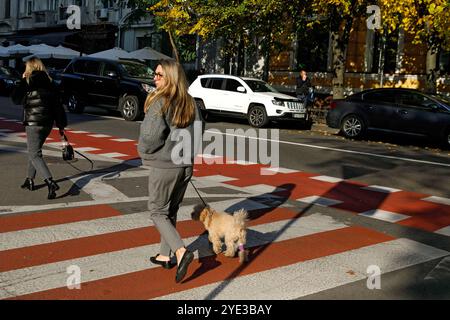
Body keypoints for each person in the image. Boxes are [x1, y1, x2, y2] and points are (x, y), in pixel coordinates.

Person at [138, 59, 203, 283]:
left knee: (157, 211)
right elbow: (199, 133)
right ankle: (166, 255)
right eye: (154, 74)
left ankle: (180, 251)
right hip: (185, 165)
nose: (154, 78)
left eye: (159, 74)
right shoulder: (190, 101)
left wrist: (144, 152)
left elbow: (149, 136)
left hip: (165, 164)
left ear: (170, 77)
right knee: (171, 209)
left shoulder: (162, 101)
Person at [11, 57, 67, 200]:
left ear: (29, 67)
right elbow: (58, 107)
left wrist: (22, 80)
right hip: (47, 124)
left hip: (33, 123)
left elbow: (15, 99)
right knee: (34, 151)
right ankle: (29, 180)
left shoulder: (29, 81)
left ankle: (50, 182)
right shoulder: (51, 82)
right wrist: (61, 127)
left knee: (34, 154)